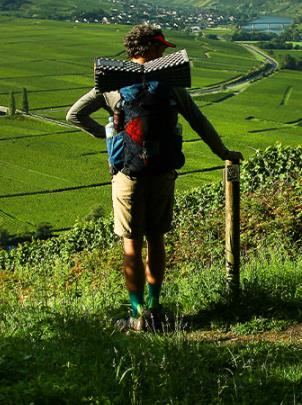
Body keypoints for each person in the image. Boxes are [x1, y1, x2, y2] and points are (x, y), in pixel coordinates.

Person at [67, 24, 243, 332]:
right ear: (149, 48)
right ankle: (156, 307)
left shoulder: (111, 85)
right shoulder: (169, 83)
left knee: (131, 245)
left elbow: (74, 115)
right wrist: (223, 152)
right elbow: (199, 121)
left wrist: (109, 136)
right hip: (163, 173)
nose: (164, 51)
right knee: (156, 239)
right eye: (160, 47)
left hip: (127, 175)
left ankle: (137, 316)